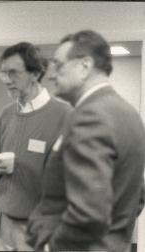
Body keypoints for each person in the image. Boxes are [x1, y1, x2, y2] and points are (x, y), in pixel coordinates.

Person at [26, 30, 145, 252]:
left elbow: (89, 212)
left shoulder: (90, 116)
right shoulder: (128, 113)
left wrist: (51, 246)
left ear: (84, 66)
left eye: (59, 65)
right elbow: (137, 195)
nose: (51, 75)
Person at [0, 42, 71, 251]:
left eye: (13, 73)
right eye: (3, 73)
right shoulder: (7, 114)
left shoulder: (64, 116)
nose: (6, 80)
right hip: (3, 223)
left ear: (34, 73)